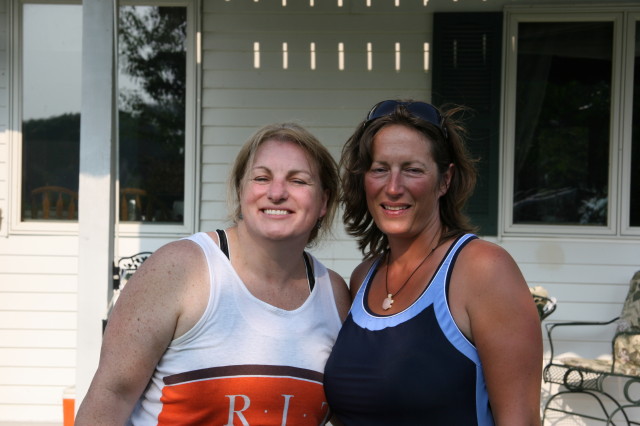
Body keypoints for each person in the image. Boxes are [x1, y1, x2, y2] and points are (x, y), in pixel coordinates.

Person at [76, 123, 351, 425]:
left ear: (324, 202)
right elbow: (111, 396)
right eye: (261, 178)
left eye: (298, 181)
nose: (276, 193)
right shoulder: (179, 268)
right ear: (241, 191)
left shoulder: (334, 295)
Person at [323, 100, 542, 425]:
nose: (393, 187)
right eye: (380, 169)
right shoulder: (362, 278)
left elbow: (521, 420)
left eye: (412, 169)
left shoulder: (483, 270)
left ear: (445, 180)